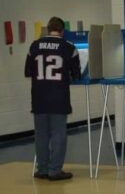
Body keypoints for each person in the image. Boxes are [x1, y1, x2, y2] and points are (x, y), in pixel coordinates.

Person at [24, 17, 81, 180]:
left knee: (41, 134)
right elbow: (76, 74)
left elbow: (28, 72)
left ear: (48, 29)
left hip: (39, 98)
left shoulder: (34, 46)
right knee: (58, 134)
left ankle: (42, 169)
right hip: (59, 98)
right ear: (62, 31)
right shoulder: (69, 47)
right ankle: (54, 170)